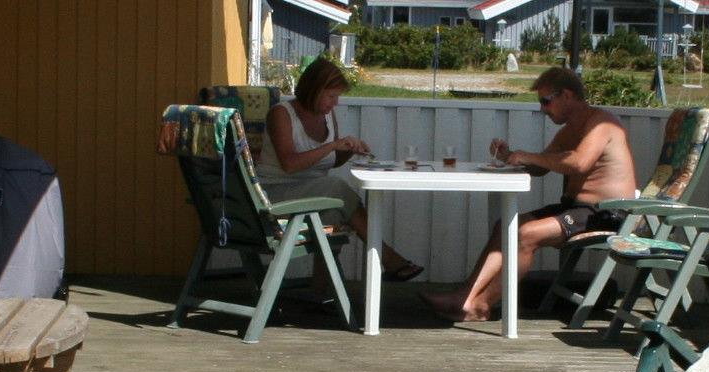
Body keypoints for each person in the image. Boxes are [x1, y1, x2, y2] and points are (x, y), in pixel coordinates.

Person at [424, 66, 638, 322]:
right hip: (577, 209)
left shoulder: (602, 123)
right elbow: (541, 168)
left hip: (607, 214)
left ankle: (481, 305)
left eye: (546, 101)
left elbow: (579, 163)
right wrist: (510, 156)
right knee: (506, 226)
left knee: (526, 234)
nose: (543, 109)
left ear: (567, 95)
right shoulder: (570, 130)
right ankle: (465, 297)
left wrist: (527, 156)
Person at [258, 58, 423, 285]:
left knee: (335, 211)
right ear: (314, 90)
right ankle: (388, 258)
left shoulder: (327, 115)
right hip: (274, 194)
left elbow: (329, 162)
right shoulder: (281, 114)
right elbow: (289, 164)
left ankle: (323, 289)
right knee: (336, 187)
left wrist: (348, 151)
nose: (335, 102)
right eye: (331, 96)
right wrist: (332, 145)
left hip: (310, 195)